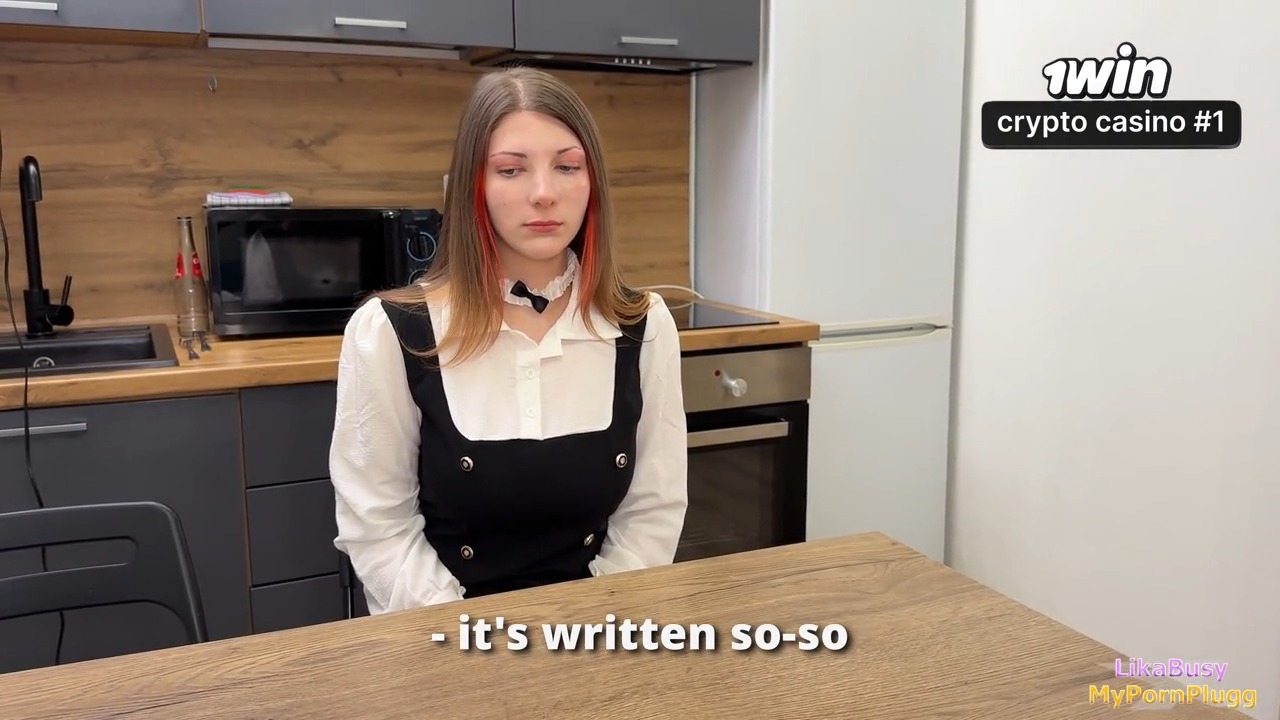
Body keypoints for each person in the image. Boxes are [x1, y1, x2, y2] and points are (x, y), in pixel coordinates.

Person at [328, 67, 689, 614]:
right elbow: (378, 527)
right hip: (443, 637)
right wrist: (474, 637)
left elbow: (652, 510)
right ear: (473, 185)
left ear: (592, 183)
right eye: (512, 170)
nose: (544, 194)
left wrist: (593, 623)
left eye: (567, 166)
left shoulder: (644, 324)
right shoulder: (389, 332)